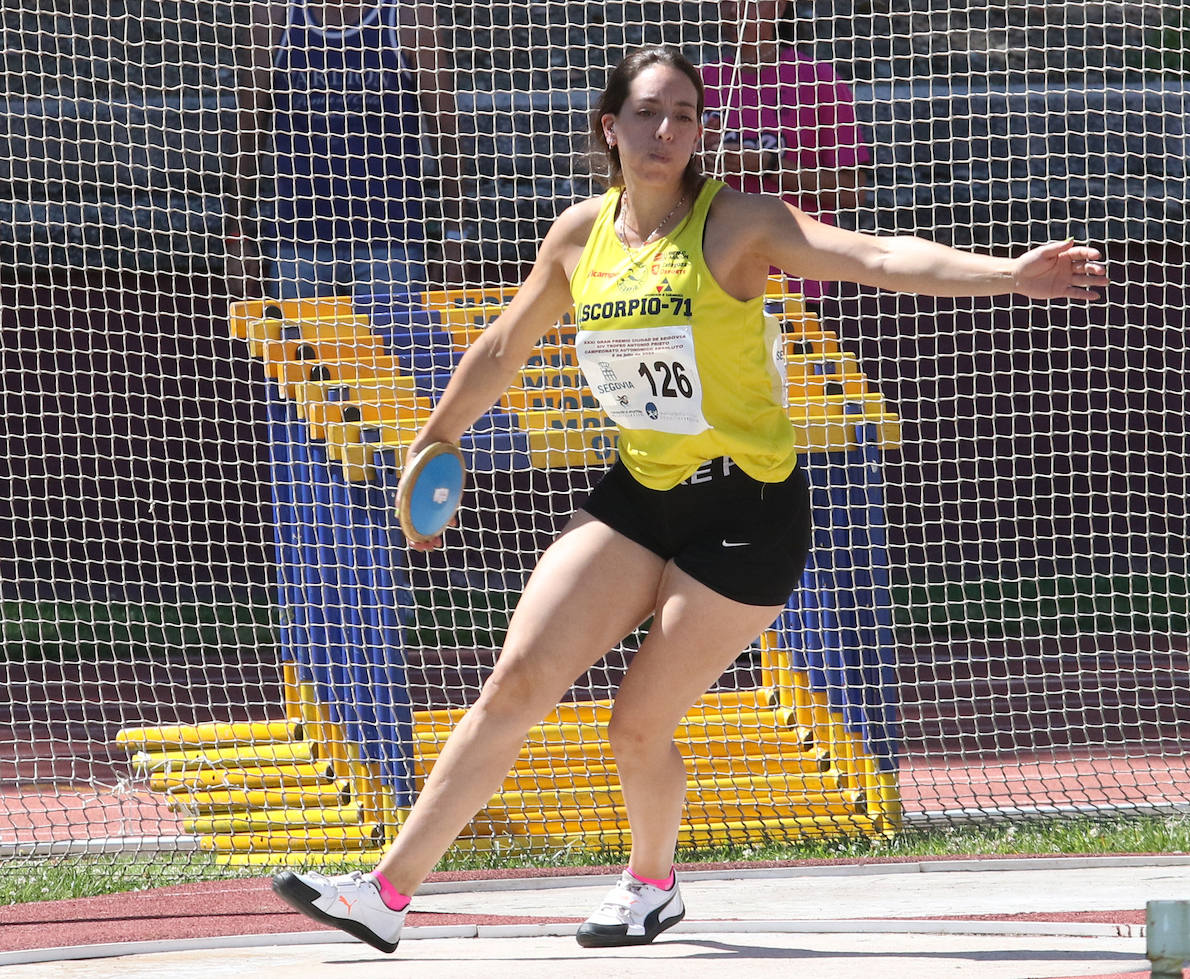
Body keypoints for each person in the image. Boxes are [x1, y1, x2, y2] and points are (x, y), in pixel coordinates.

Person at [270, 45, 1108, 954]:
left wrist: (1007, 273)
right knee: (515, 682)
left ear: (703, 131)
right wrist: (436, 437)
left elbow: (872, 253)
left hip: (748, 514)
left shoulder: (737, 223)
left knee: (637, 723)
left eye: (681, 114)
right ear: (609, 126)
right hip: (640, 493)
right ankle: (386, 894)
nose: (663, 130)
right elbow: (505, 344)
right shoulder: (579, 235)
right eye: (645, 112)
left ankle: (652, 883)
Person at [225, 0, 467, 301]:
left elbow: (447, 135)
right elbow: (248, 133)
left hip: (390, 242)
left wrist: (456, 237)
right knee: (298, 348)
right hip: (298, 241)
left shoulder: (409, 18)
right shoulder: (275, 17)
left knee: (391, 348)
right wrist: (236, 235)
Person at [700, 0, 870, 305]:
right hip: (714, 277)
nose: (734, 11)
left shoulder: (820, 82)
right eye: (725, 2)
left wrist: (767, 164)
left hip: (797, 280)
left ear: (779, 7)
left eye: (748, 2)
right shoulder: (699, 83)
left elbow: (851, 192)